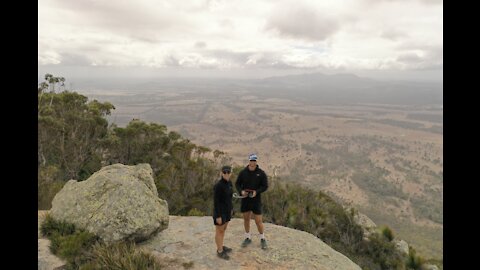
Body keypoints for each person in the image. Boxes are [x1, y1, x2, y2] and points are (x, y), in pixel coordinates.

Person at [235, 153, 269, 249]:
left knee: (258, 221)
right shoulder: (243, 172)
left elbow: (265, 186)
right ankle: (247, 237)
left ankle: (262, 239)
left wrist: (256, 192)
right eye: (251, 160)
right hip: (245, 199)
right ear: (249, 161)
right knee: (246, 219)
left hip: (256, 200)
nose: (252, 162)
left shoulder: (261, 173)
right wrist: (241, 191)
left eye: (254, 161)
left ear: (256, 161)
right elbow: (237, 184)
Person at [213, 165, 234, 260]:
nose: (226, 174)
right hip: (220, 212)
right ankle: (219, 251)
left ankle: (221, 246)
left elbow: (230, 198)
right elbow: (216, 201)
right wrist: (218, 215)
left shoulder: (229, 183)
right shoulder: (218, 186)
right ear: (221, 173)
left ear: (230, 173)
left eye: (228, 172)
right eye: (224, 172)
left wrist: (231, 209)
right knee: (219, 230)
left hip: (227, 211)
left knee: (223, 229)